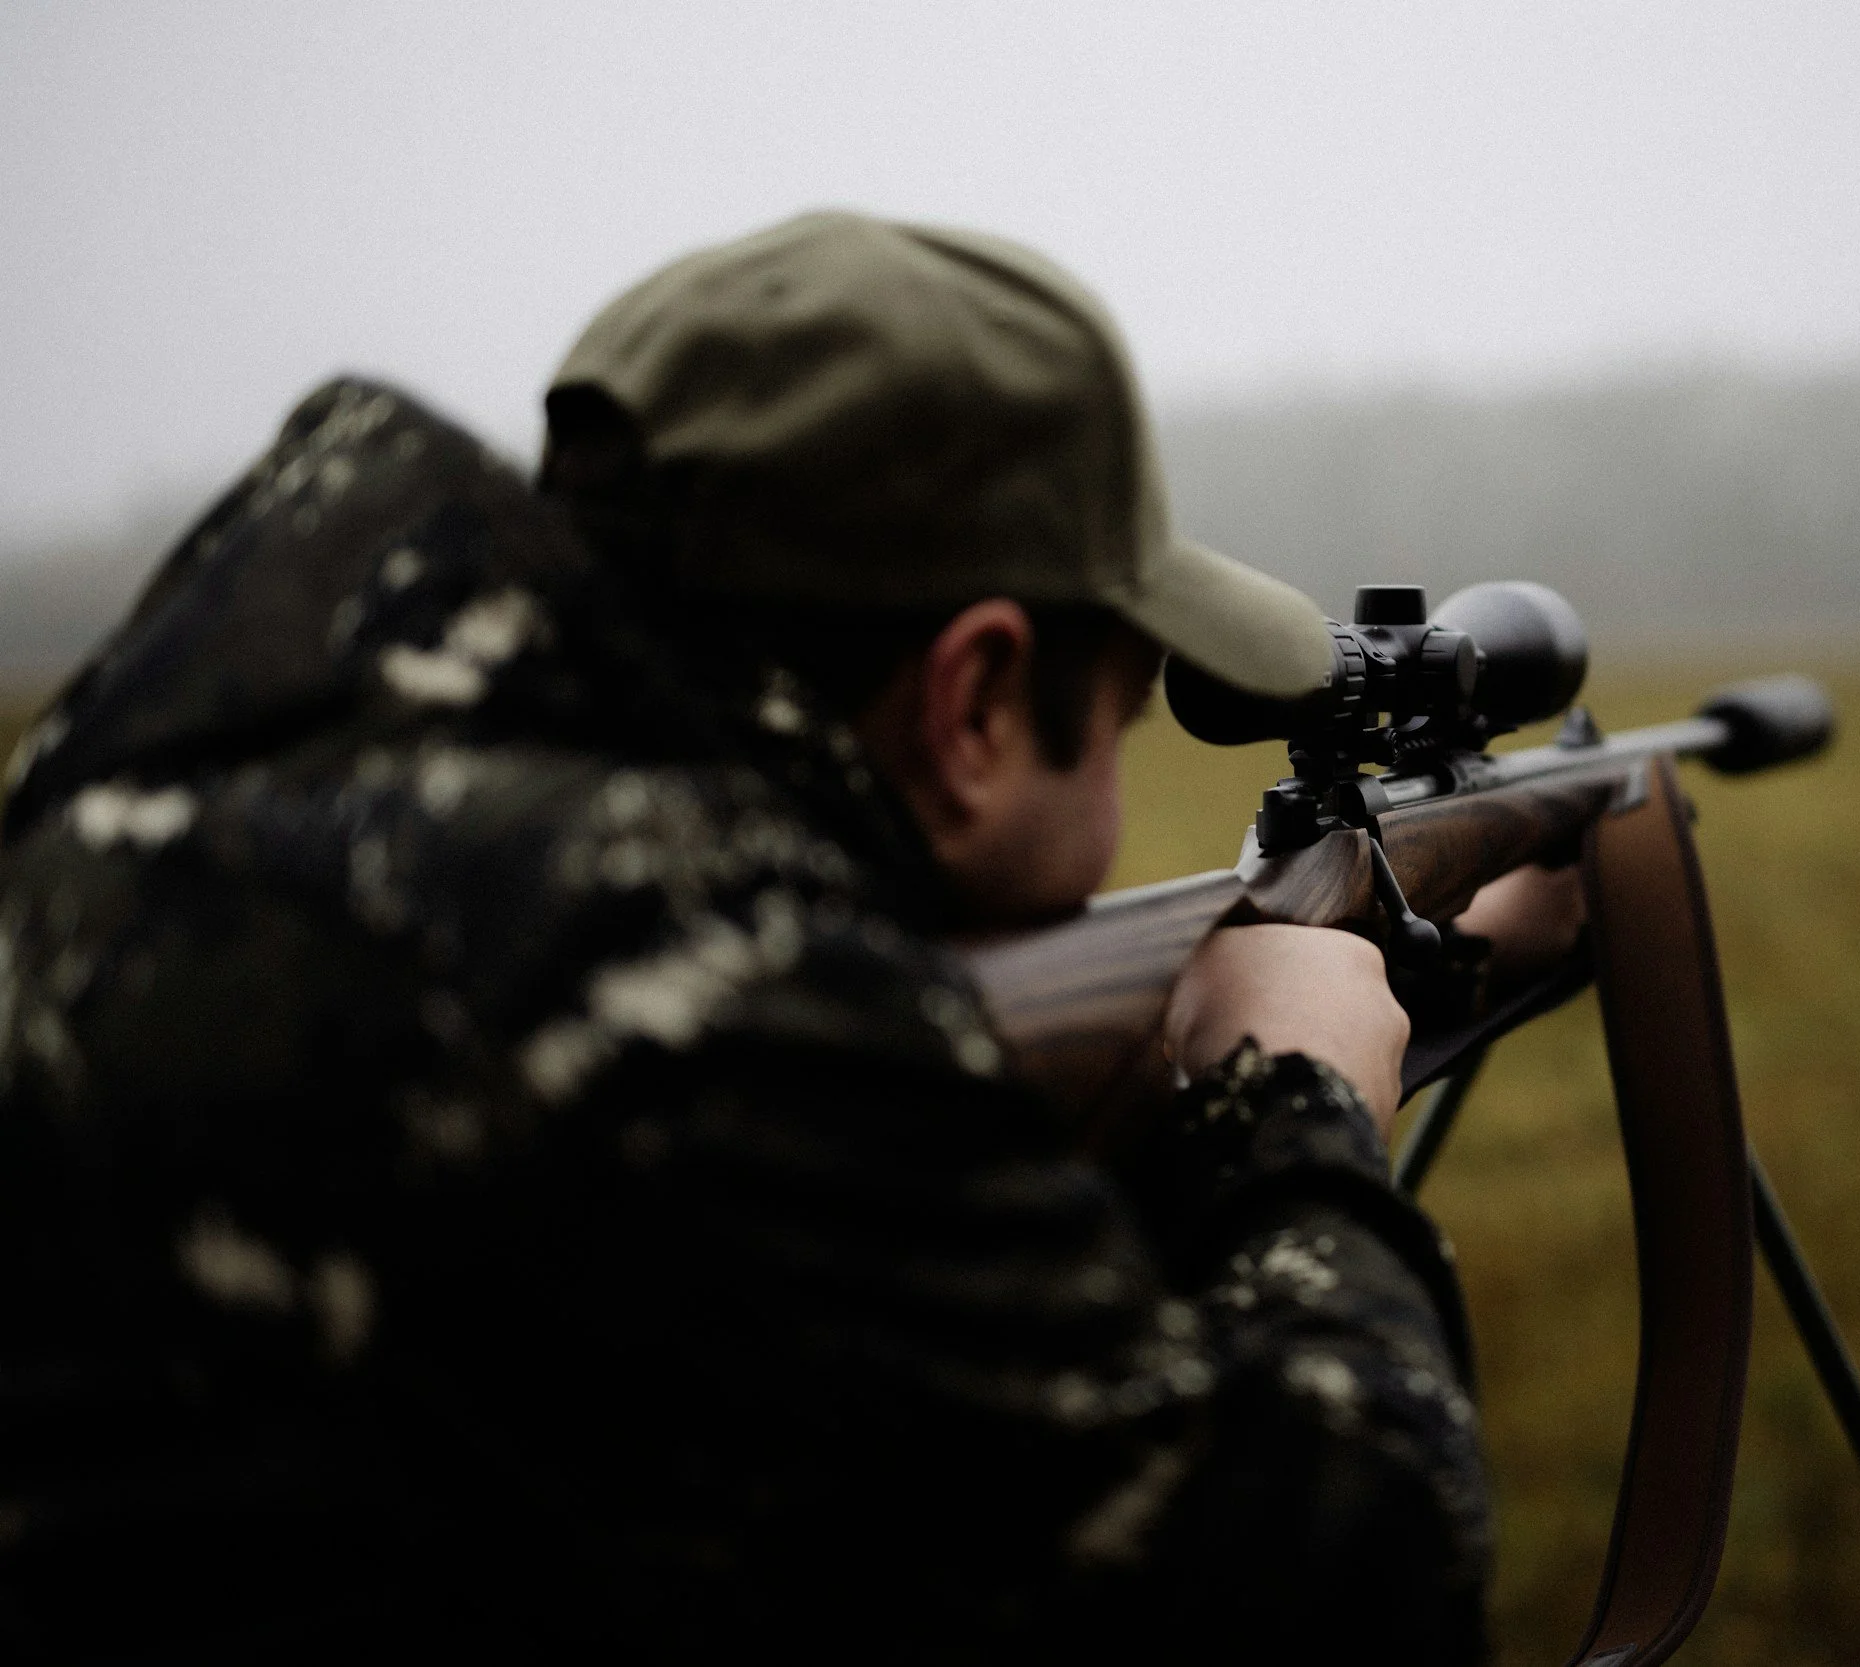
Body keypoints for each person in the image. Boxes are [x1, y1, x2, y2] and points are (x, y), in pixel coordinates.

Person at [0, 211, 1579, 1661]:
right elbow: (1336, 1595)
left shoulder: (160, 795)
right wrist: (1295, 1096)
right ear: (970, 702)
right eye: (1115, 718)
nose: (1116, 774)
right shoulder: (692, 981)